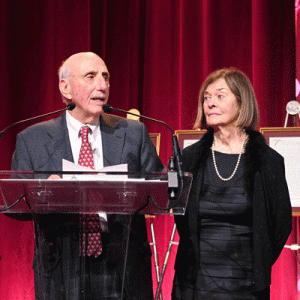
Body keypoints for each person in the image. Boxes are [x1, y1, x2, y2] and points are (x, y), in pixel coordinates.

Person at [10, 52, 165, 299]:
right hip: (61, 264)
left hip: (122, 264)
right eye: (91, 77)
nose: (102, 86)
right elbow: (14, 205)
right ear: (66, 88)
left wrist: (132, 193)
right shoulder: (32, 139)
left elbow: (159, 191)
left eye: (106, 77)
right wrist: (42, 194)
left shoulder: (133, 133)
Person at [172, 68, 292, 300]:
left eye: (219, 95)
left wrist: (258, 263)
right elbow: (182, 220)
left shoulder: (268, 161)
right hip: (194, 283)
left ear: (241, 102)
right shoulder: (188, 158)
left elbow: (281, 224)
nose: (210, 104)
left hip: (246, 284)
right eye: (206, 97)